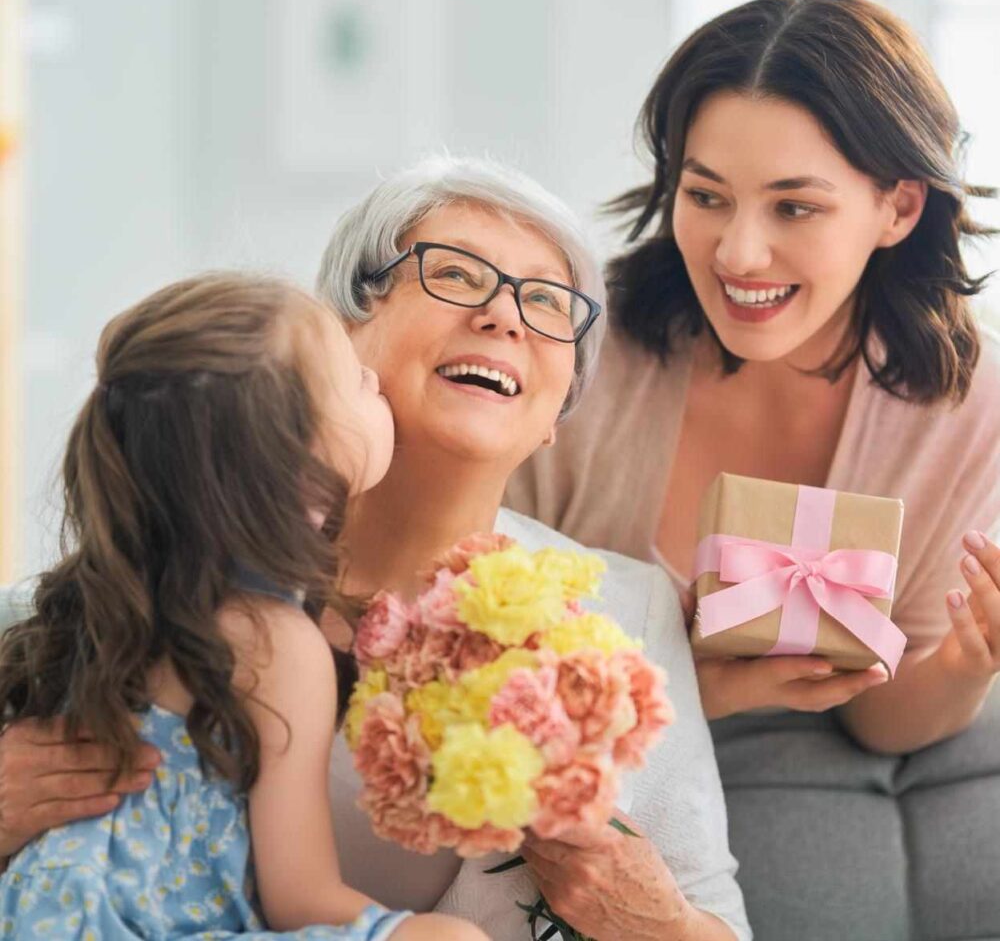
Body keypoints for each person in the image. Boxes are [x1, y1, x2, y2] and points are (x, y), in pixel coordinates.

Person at [0, 157, 751, 941]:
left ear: (560, 406)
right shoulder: (154, 579)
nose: (506, 316)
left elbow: (718, 924)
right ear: (340, 335)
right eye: (457, 274)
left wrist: (655, 919)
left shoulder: (629, 613)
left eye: (547, 301)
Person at [506, 0, 1000, 754]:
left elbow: (880, 715)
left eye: (793, 208)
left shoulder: (962, 410)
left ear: (899, 209)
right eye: (706, 195)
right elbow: (464, 642)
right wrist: (692, 690)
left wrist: (968, 662)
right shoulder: (574, 347)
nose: (736, 253)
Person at [0, 273, 487, 941]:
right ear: (291, 465)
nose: (375, 386)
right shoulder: (274, 640)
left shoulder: (108, 600)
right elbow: (300, 896)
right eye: (352, 382)